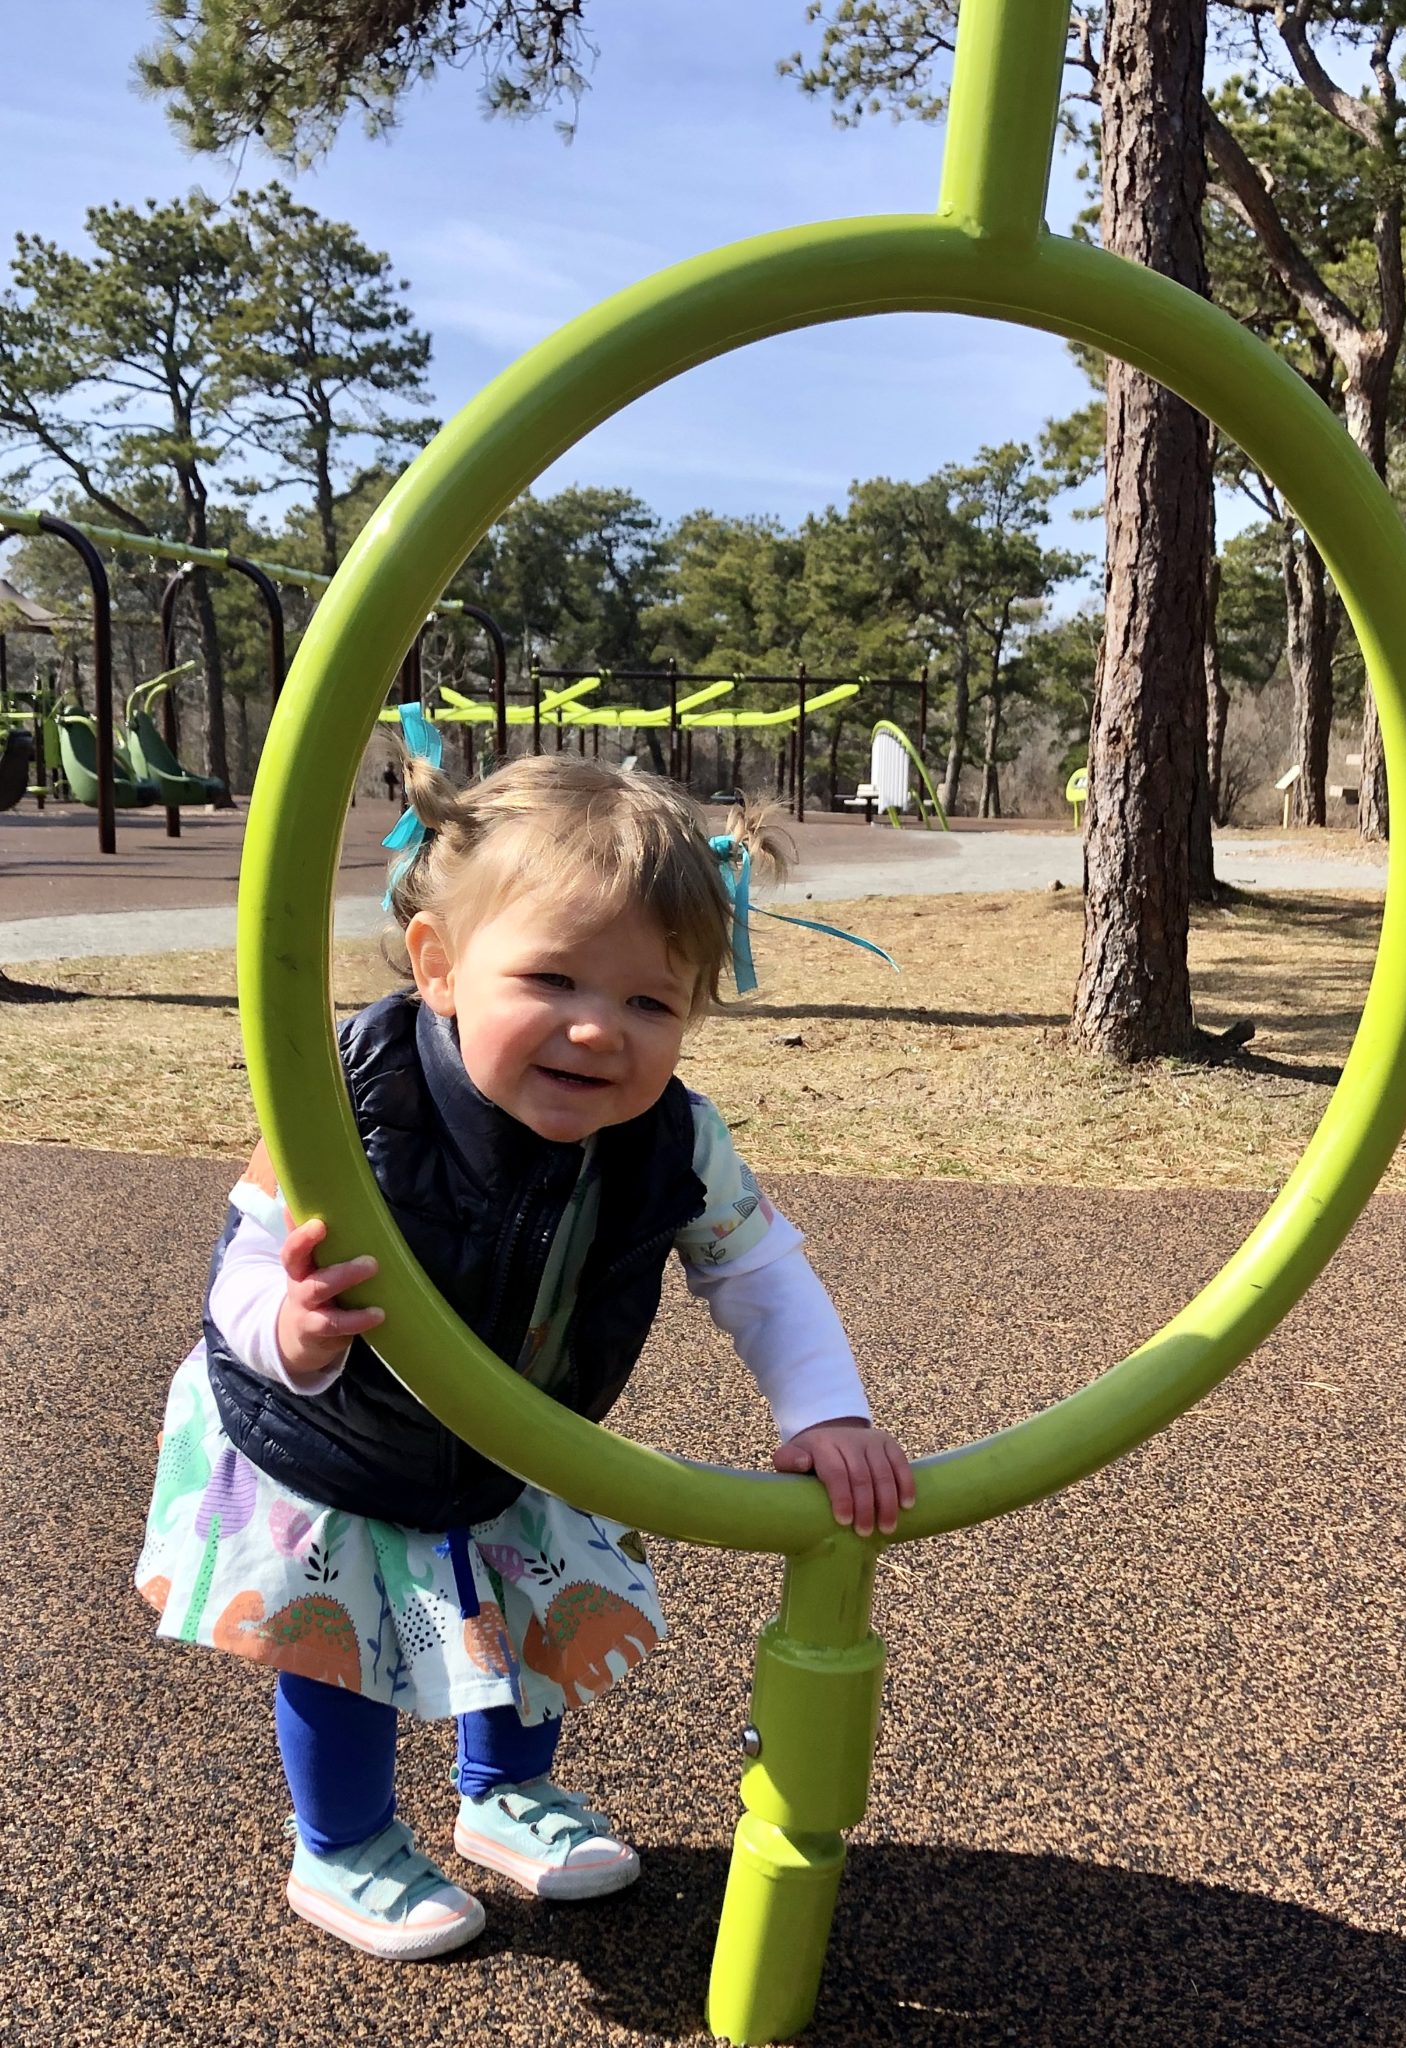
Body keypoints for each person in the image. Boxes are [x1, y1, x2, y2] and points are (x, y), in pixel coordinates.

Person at [135, 739, 915, 1963]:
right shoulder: (349, 1092)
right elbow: (246, 1263)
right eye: (551, 977)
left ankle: (503, 1788)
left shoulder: (675, 1137)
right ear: (438, 964)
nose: (598, 1030)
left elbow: (757, 1269)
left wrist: (825, 1410)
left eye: (650, 1002)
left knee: (525, 1610)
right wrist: (289, 1330)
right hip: (330, 1432)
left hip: (522, 1427)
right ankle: (342, 1841)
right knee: (336, 1645)